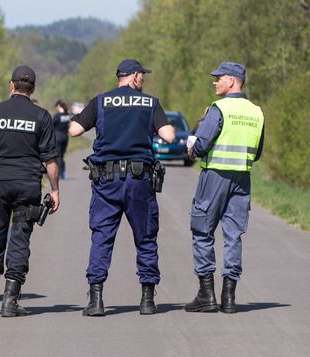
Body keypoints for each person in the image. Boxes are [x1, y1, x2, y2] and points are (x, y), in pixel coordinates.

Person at [68, 59, 174, 316]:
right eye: (143, 76)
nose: (144, 81)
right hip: (140, 181)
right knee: (146, 237)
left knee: (102, 237)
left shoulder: (101, 101)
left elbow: (74, 130)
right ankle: (147, 300)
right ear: (135, 76)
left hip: (107, 181)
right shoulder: (150, 103)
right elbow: (169, 135)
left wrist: (78, 117)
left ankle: (96, 300)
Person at [0, 66, 60, 317]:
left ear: (11, 86)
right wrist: (55, 190)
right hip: (27, 185)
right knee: (20, 239)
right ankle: (10, 301)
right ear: (32, 88)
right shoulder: (42, 117)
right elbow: (51, 160)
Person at [184, 61, 265, 314]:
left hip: (215, 176)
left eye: (219, 77)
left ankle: (206, 294)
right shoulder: (256, 112)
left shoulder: (219, 109)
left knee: (202, 230)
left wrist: (192, 147)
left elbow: (201, 145)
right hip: (242, 178)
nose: (215, 81)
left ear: (232, 80)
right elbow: (258, 152)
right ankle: (229, 297)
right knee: (233, 235)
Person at [52, 100, 72, 179]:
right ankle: (63, 173)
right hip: (65, 137)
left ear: (58, 106)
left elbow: (51, 126)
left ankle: (59, 173)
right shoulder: (67, 115)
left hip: (58, 138)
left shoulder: (57, 116)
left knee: (58, 156)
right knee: (62, 156)